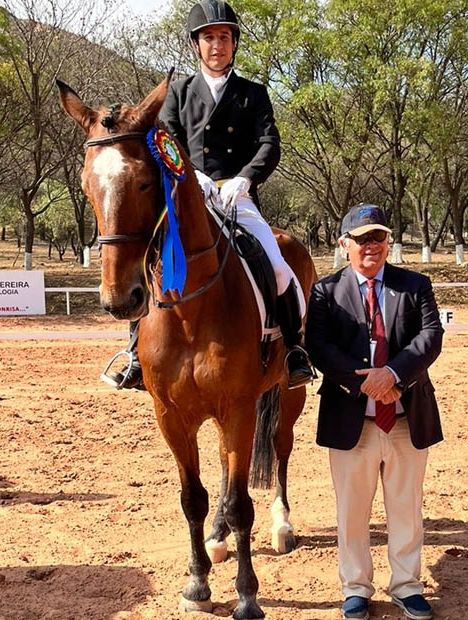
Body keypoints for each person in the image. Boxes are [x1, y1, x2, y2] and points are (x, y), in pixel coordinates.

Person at [105, 0, 313, 391]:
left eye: (223, 37)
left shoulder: (254, 94)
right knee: (151, 266)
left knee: (279, 267)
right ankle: (135, 353)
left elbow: (269, 142)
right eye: (208, 38)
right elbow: (163, 141)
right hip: (189, 195)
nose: (216, 45)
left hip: (238, 197)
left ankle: (294, 350)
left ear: (233, 44)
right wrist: (188, 175)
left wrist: (246, 179)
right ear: (196, 45)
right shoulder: (180, 92)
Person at [305, 203, 445, 620]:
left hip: (406, 418)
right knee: (351, 512)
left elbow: (431, 337)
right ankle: (355, 588)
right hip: (352, 421)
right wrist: (363, 381)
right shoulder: (325, 292)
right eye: (363, 239)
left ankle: (406, 585)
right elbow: (319, 347)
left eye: (379, 237)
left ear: (389, 242)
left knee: (406, 508)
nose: (372, 246)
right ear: (345, 243)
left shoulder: (416, 285)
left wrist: (393, 376)